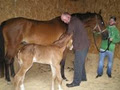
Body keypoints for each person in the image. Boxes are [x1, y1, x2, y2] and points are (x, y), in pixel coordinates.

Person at [61, 12, 90, 87]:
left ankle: (76, 82)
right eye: (63, 20)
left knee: (77, 63)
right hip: (84, 44)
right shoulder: (76, 20)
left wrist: (61, 43)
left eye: (64, 19)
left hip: (81, 46)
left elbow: (68, 35)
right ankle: (83, 77)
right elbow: (76, 34)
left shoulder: (72, 23)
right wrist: (73, 44)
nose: (64, 21)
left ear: (68, 16)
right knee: (81, 62)